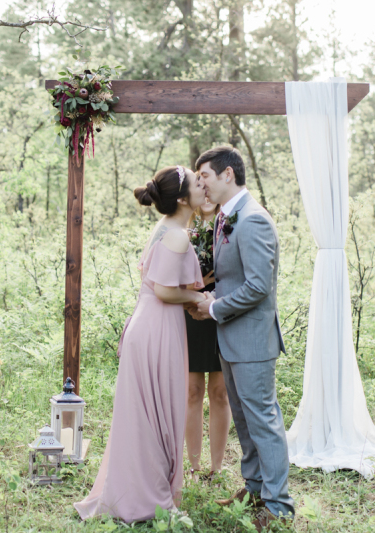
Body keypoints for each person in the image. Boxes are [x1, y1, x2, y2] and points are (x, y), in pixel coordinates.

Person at [74, 165, 207, 523]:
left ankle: (147, 493)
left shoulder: (167, 228)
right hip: (156, 330)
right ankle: (151, 501)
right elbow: (164, 289)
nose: (203, 186)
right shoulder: (176, 234)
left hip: (152, 325)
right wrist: (198, 299)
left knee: (150, 415)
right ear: (181, 198)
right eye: (197, 183)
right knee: (157, 417)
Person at [192, 146, 295, 531]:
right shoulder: (225, 217)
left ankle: (280, 505)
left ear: (227, 176)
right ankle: (253, 488)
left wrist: (214, 308)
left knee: (263, 420)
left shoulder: (253, 220)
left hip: (251, 339)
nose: (200, 182)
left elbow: (258, 286)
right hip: (230, 338)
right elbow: (234, 278)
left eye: (205, 175)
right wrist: (210, 296)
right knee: (244, 418)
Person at [184, 199, 232, 481]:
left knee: (220, 392)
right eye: (198, 186)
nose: (205, 194)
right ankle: (193, 466)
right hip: (191, 309)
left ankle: (216, 467)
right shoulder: (184, 228)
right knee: (192, 390)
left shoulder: (230, 223)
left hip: (223, 308)